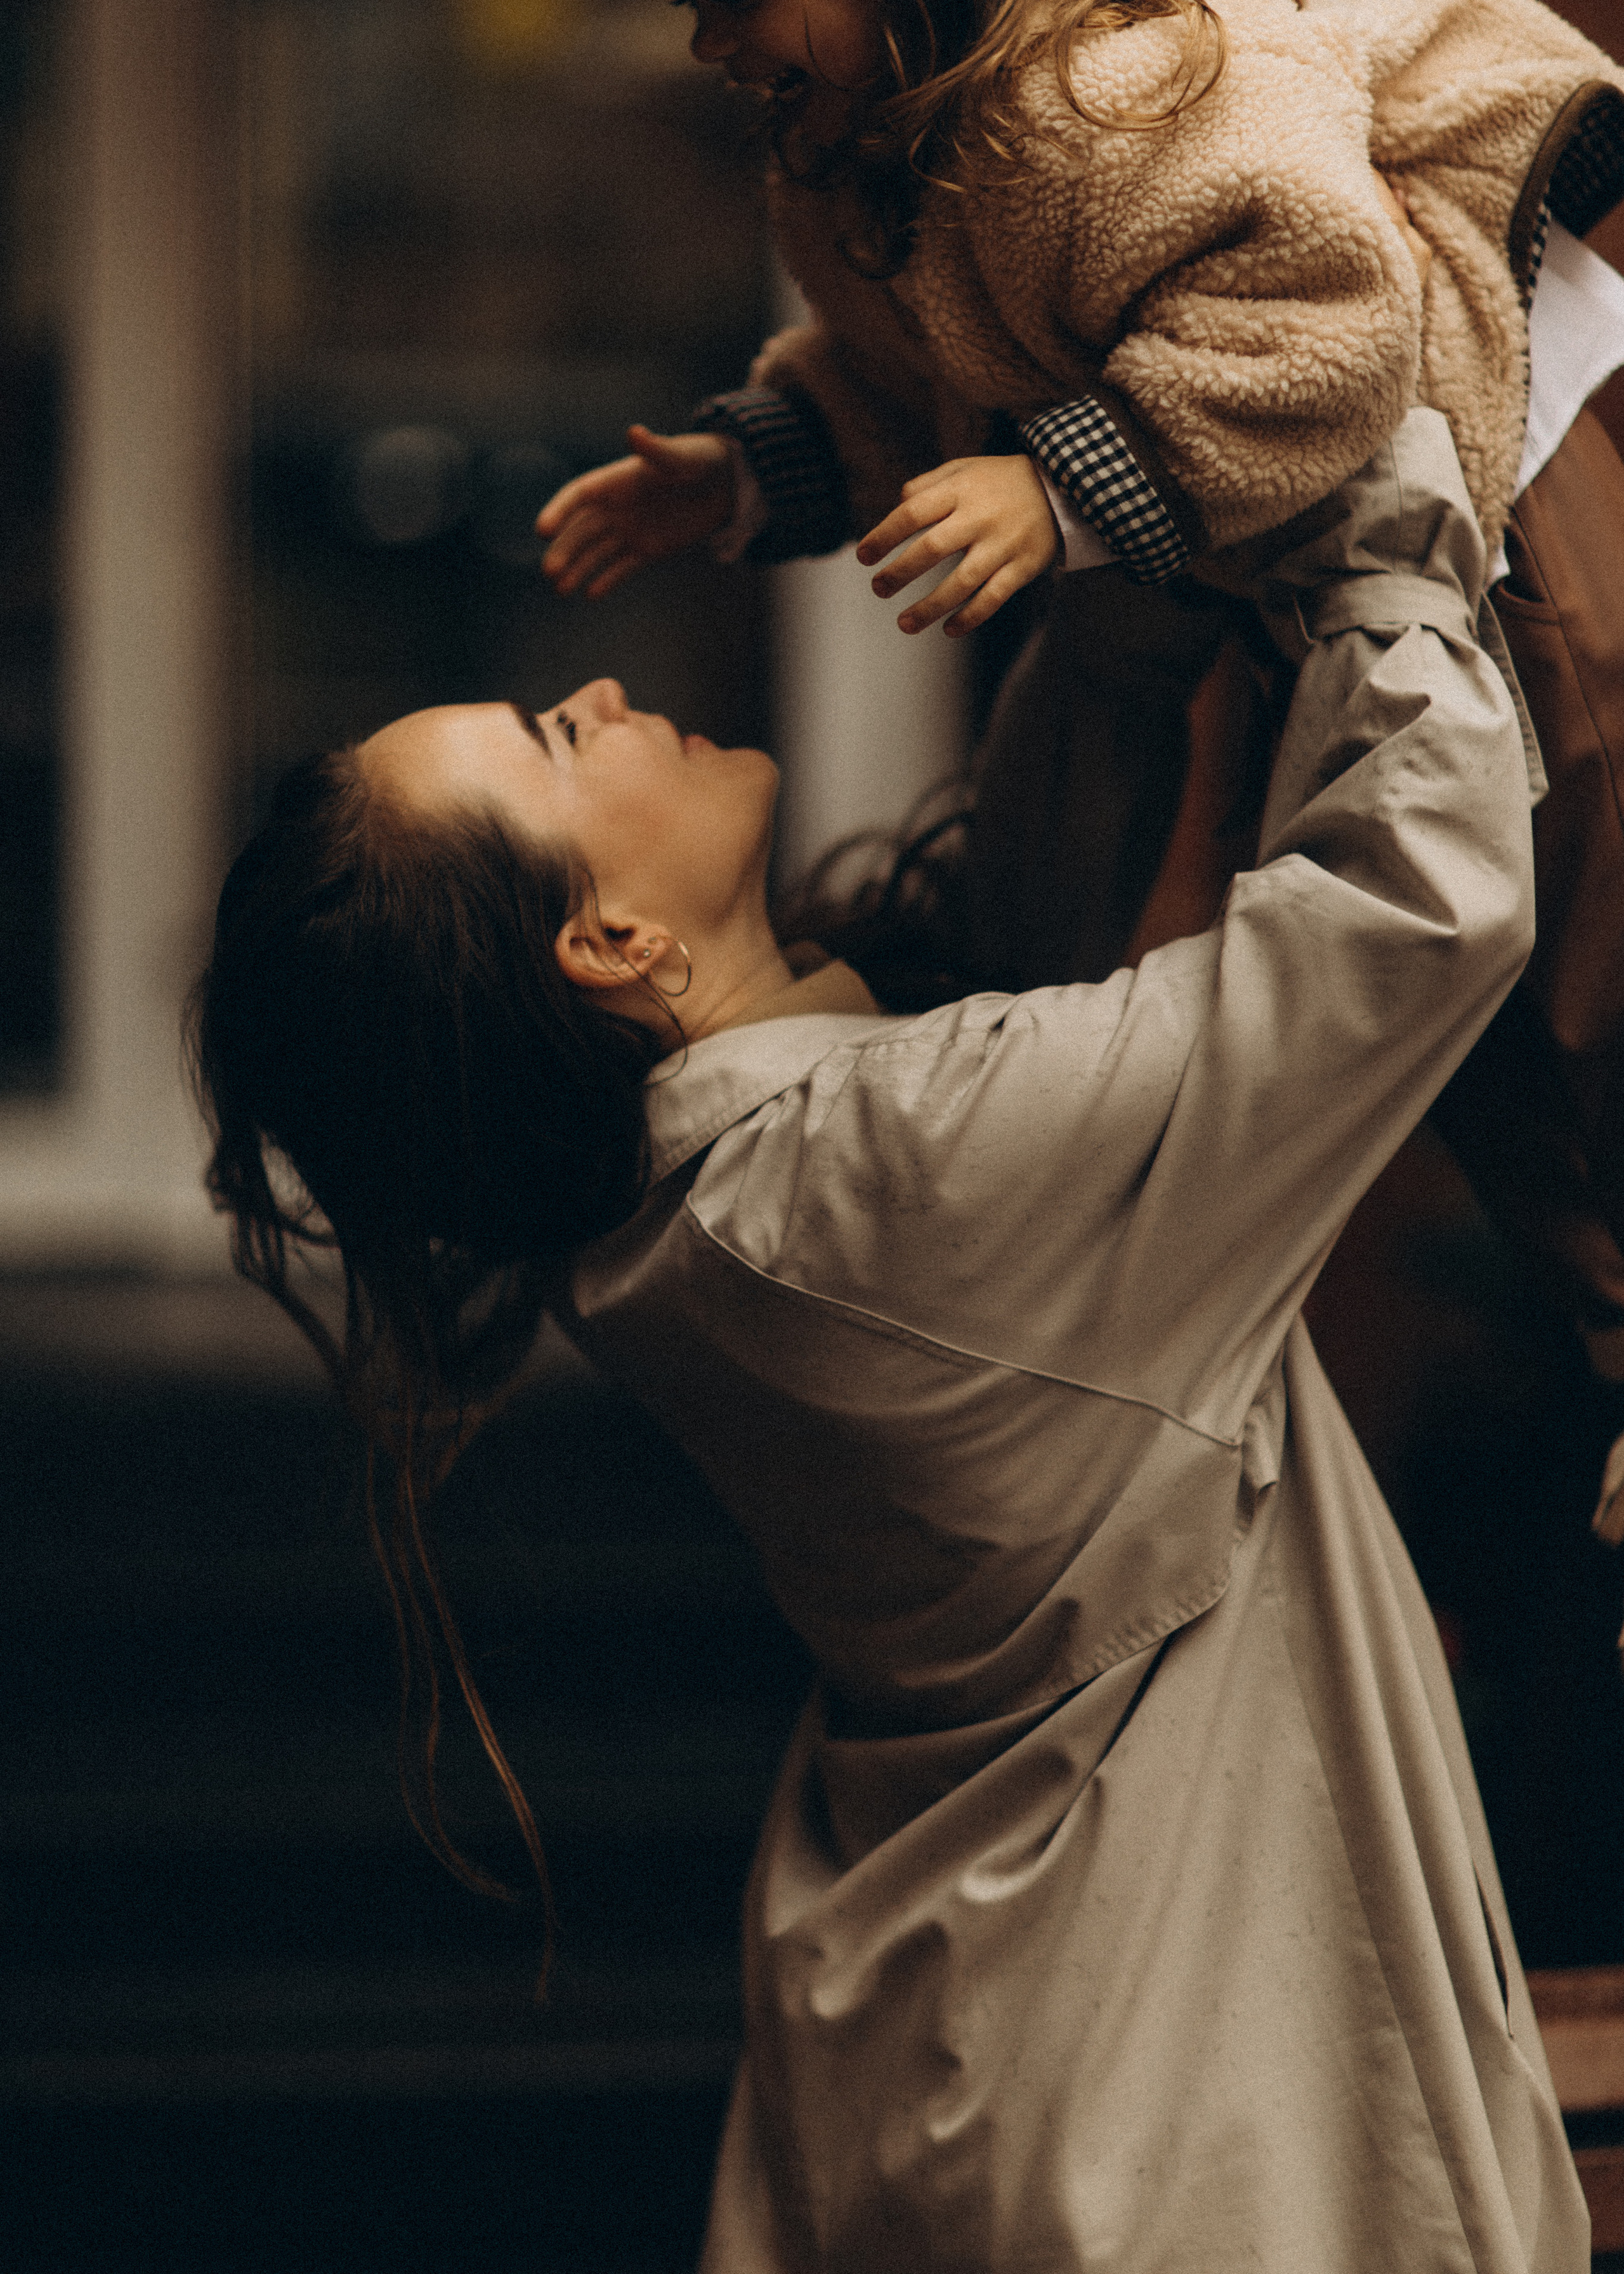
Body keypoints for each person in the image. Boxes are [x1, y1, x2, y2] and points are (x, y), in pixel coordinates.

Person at [190, 411, 1588, 2269]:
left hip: (999, 2066)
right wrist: (1378, 449)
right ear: (606, 943)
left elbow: (1026, 929)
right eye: (552, 743)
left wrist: (1104, 505)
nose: (600, 692)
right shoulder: (880, 1187)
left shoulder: (691, 1223)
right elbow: (1415, 905)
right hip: (1164, 2139)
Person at [534, 0, 1624, 1341]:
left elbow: (1329, 316)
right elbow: (895, 371)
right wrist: (743, 473)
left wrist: (1056, 488)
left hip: (1487, 526)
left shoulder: (1130, 85)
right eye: (687, 5)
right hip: (1275, 557)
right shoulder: (870, 149)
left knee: (1582, 915)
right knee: (1382, 975)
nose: (714, 43)